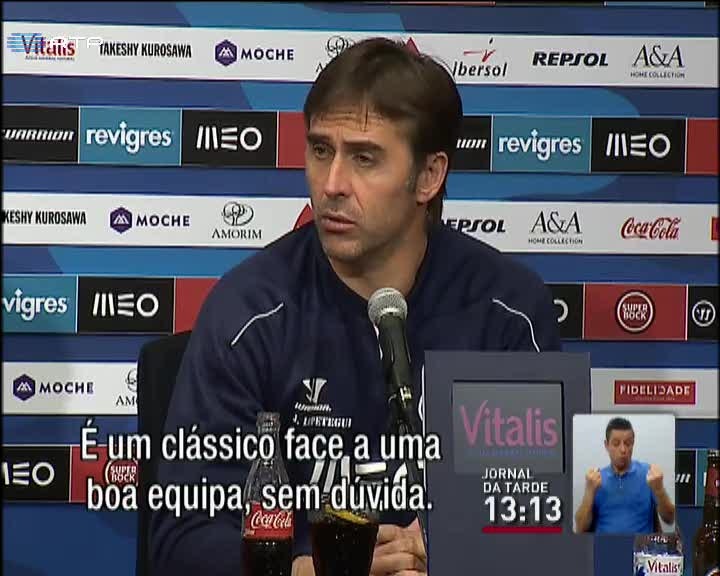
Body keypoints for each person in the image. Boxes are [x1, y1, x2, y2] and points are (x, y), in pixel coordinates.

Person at [150, 37, 561, 576]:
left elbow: (536, 535)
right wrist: (326, 570)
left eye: (364, 158)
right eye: (321, 151)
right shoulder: (250, 312)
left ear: (429, 176)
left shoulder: (504, 314)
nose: (332, 185)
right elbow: (183, 543)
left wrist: (452, 556)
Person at [574, 417, 676, 535]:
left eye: (627, 443)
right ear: (607, 445)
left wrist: (659, 490)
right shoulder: (596, 479)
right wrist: (589, 492)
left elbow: (670, 519)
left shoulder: (648, 474)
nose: (623, 450)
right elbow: (580, 528)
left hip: (640, 545)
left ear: (633, 443)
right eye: (616, 444)